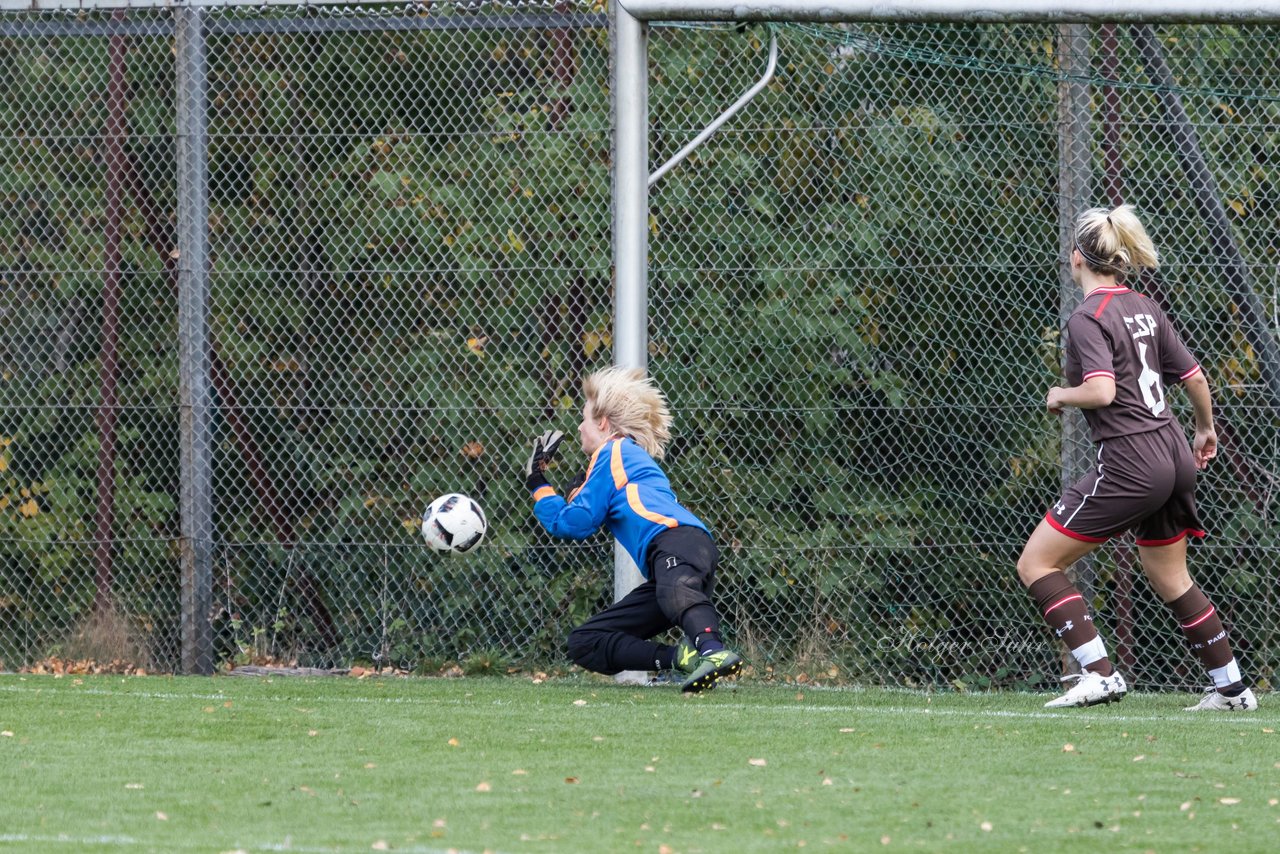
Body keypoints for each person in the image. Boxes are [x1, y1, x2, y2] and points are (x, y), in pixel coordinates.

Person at [1018, 204, 1257, 712]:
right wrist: (1204, 429)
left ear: (1076, 258)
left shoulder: (1088, 317)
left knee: (1037, 562)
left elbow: (1102, 391)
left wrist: (1061, 394)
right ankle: (1233, 689)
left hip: (1132, 461)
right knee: (1171, 576)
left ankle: (1099, 674)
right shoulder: (1144, 306)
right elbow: (1194, 377)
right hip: (1173, 451)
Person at [523, 366, 743, 693]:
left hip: (677, 541)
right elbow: (573, 518)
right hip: (670, 562)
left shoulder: (614, 451)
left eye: (583, 420)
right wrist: (549, 488)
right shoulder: (618, 460)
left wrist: (539, 484)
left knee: (675, 591)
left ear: (602, 423)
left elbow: (576, 523)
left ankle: (712, 651)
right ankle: (684, 658)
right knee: (584, 641)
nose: (580, 428)